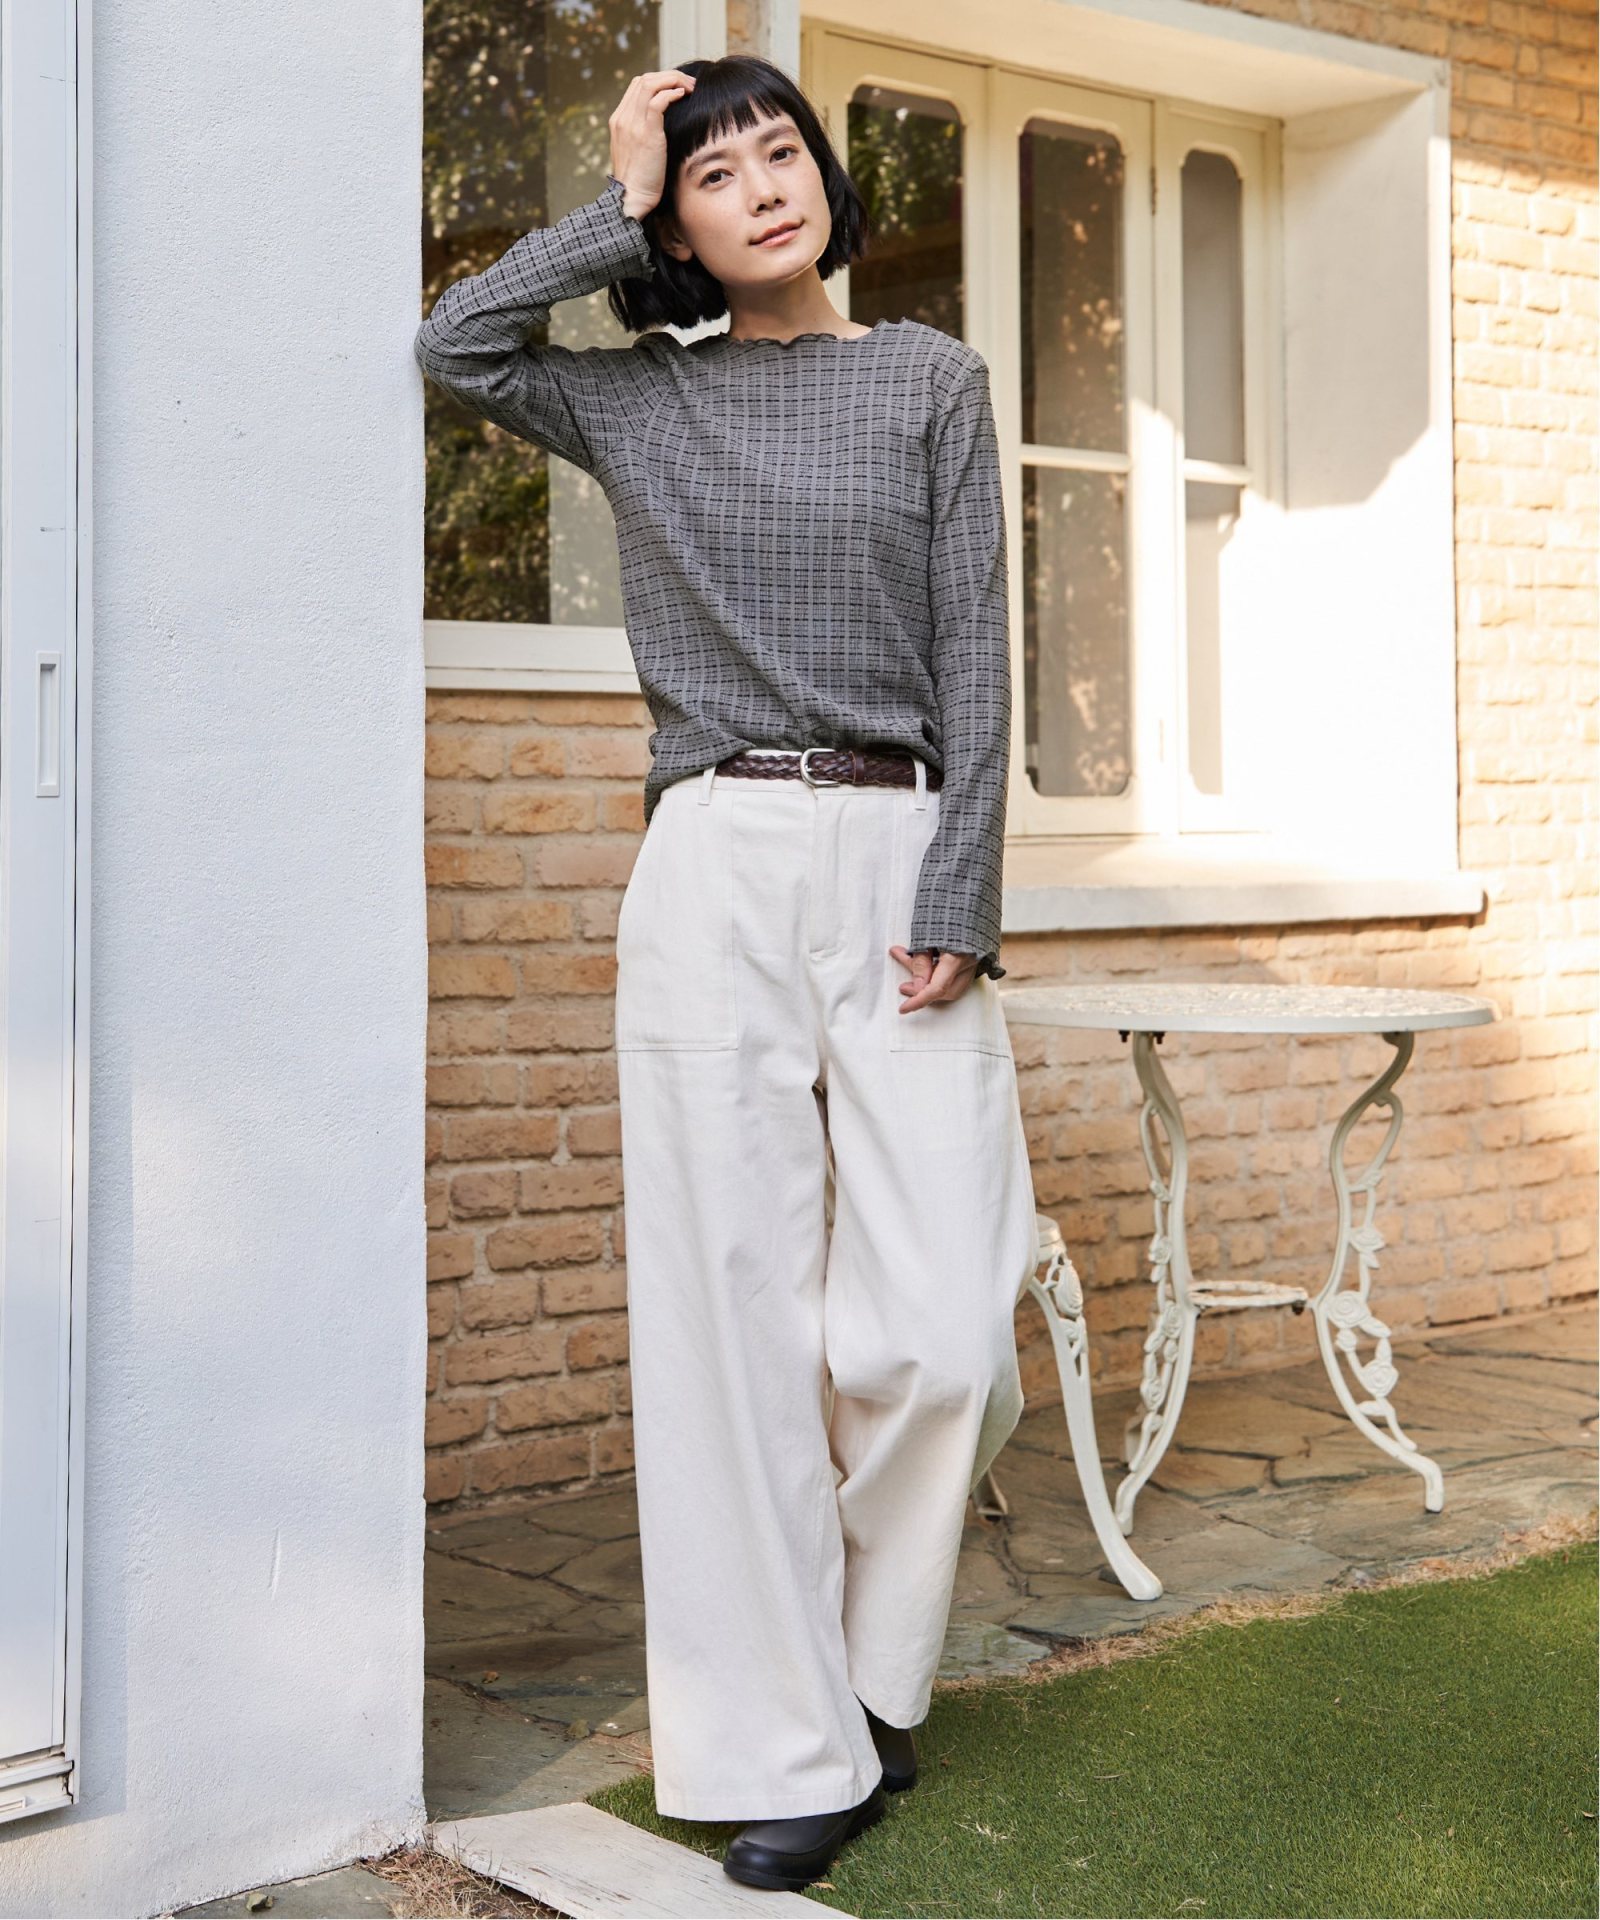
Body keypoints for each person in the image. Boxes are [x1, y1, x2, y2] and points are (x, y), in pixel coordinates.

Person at [413, 53, 1039, 1894]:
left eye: (784, 152)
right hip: (712, 859)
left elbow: (976, 647)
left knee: (942, 1329)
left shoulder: (928, 380)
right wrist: (609, 197)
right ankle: (790, 1745)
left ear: (827, 181)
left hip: (900, 855)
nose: (764, 185)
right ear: (675, 225)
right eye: (714, 172)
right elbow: (457, 345)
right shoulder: (642, 402)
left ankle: (872, 1673)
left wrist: (965, 880)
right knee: (730, 1321)